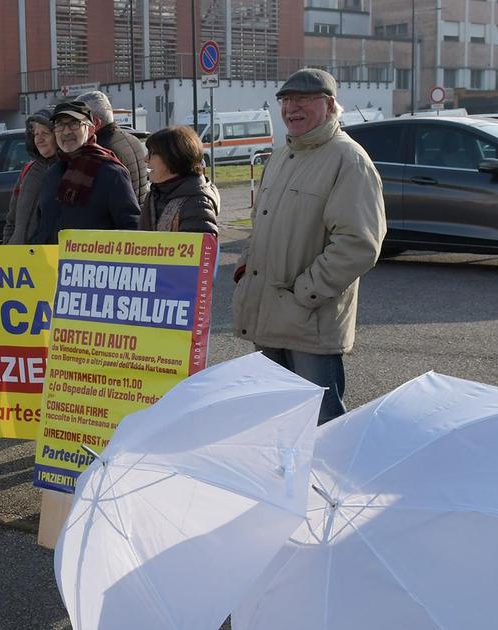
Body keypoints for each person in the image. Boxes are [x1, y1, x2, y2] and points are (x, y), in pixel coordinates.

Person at [232, 68, 386, 425]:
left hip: (310, 324)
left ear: (330, 105)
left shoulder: (348, 160)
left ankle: (332, 482)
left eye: (303, 100)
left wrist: (304, 293)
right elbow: (260, 226)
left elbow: (358, 244)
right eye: (286, 101)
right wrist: (245, 267)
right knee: (277, 420)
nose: (292, 108)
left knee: (323, 424)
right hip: (268, 314)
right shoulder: (281, 157)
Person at [30, 101, 139, 245]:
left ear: (91, 129)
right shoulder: (52, 173)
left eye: (75, 124)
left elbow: (132, 228)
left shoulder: (112, 174)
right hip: (50, 264)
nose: (66, 131)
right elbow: (43, 224)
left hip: (93, 265)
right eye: (60, 125)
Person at [141, 125, 220, 235]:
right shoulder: (154, 195)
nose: (146, 159)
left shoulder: (197, 203)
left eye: (152, 153)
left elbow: (201, 249)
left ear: (172, 157)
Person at [76, 90, 149, 204]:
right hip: (138, 215)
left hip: (115, 218)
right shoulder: (134, 140)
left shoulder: (100, 150)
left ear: (95, 122)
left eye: (78, 121)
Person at [2, 109, 56, 244]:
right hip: (19, 260)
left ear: (57, 135)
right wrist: (7, 245)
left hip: (47, 260)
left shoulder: (68, 170)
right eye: (36, 134)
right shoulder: (28, 169)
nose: (39, 139)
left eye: (45, 133)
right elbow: (12, 218)